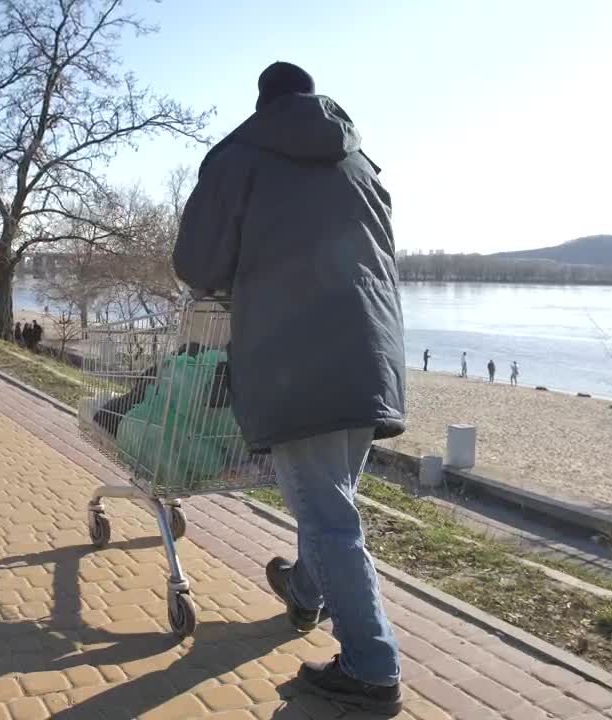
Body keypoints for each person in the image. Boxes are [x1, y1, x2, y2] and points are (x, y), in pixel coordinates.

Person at [173, 61, 404, 714]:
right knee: (333, 500)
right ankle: (305, 589)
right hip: (371, 353)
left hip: (293, 354)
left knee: (329, 516)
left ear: (264, 102)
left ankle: (371, 668)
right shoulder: (363, 166)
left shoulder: (241, 155)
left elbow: (197, 261)